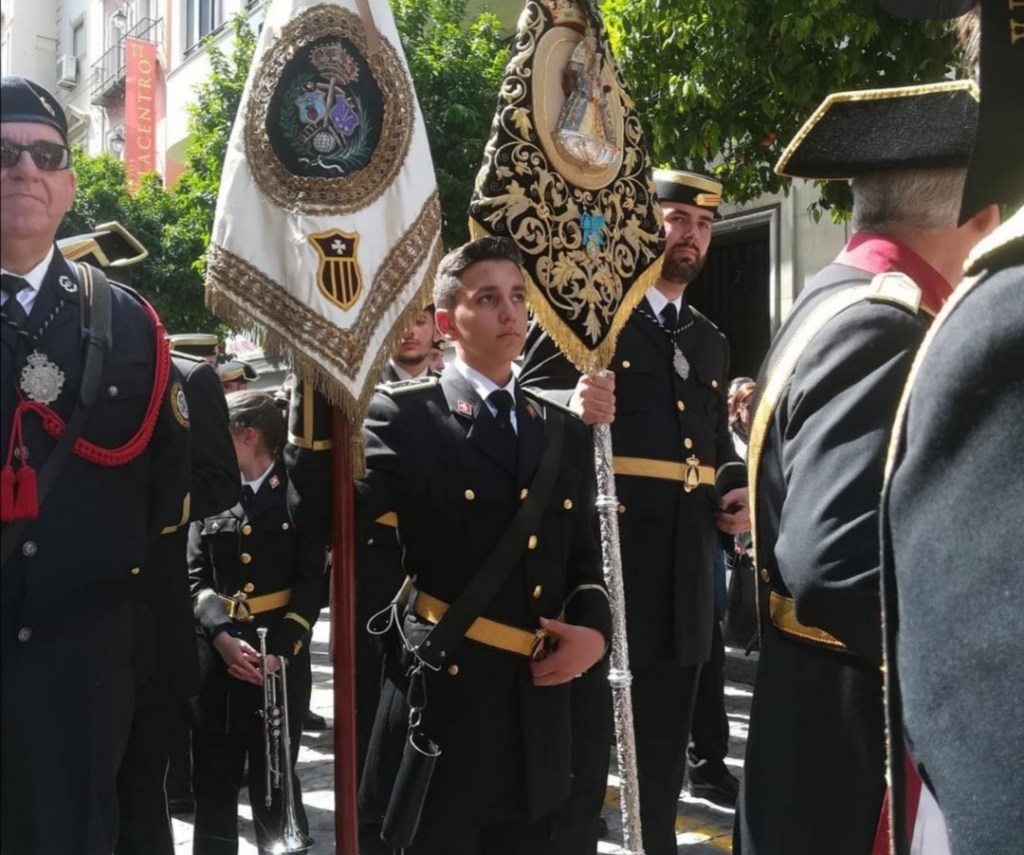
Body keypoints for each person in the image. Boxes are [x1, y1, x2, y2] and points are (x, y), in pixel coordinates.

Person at [734, 80, 999, 855]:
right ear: (980, 216)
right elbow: (835, 567)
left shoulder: (837, 297)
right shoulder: (886, 323)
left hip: (818, 733)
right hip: (855, 758)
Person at [356, 236, 611, 855]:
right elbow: (331, 520)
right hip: (451, 699)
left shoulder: (560, 428)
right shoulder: (404, 417)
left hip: (538, 706)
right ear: (447, 324)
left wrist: (594, 632)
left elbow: (583, 555)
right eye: (488, 298)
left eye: (518, 298)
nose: (510, 312)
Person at [519, 168, 749, 855]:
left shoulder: (708, 339)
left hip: (685, 574)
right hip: (607, 565)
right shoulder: (591, 318)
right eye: (677, 219)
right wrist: (571, 404)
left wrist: (736, 490)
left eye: (703, 225)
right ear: (643, 225)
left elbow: (714, 445)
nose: (691, 236)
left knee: (662, 760)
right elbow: (521, 406)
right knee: (584, 759)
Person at [0, 75, 190, 855]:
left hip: (81, 670)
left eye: (47, 156)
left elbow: (165, 496)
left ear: (70, 185)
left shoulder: (128, 322)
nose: (25, 170)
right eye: (4, 154)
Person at [187, 391, 325, 855]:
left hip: (278, 661)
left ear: (247, 436)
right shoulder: (211, 490)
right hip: (219, 658)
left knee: (275, 778)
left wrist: (282, 650)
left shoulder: (296, 494)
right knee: (213, 779)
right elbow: (195, 575)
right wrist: (220, 634)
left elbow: (311, 583)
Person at [116, 347, 241, 853]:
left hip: (149, 618)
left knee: (141, 797)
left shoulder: (184, 374)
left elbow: (219, 482)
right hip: (62, 623)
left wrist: (121, 501)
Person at [356, 304, 440, 855]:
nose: (410, 329)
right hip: (376, 566)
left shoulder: (455, 388)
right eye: (399, 318)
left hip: (440, 566)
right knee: (372, 709)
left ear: (438, 326)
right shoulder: (354, 394)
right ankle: (372, 829)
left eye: (421, 317)